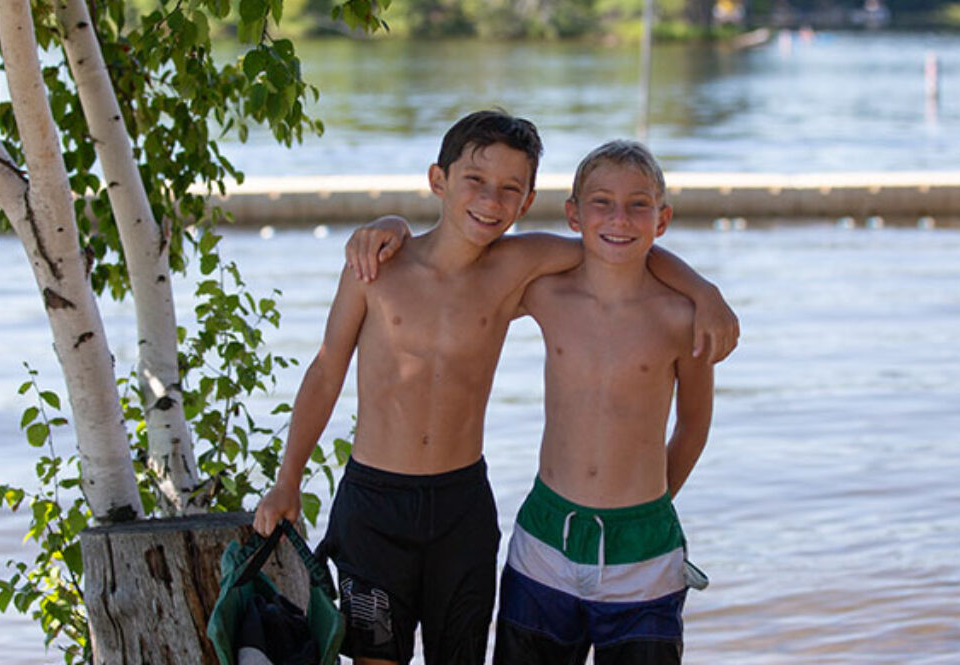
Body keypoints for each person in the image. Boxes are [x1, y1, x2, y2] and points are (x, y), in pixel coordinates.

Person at [253, 110, 735, 665]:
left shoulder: (518, 267)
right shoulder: (378, 267)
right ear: (439, 181)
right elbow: (325, 370)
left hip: (463, 506)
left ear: (528, 202)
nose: (490, 200)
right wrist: (287, 479)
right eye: (475, 182)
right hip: (374, 504)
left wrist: (703, 290)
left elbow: (619, 246)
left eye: (510, 189)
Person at [493, 140, 714, 665]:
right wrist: (389, 229)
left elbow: (695, 425)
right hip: (545, 542)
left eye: (639, 204)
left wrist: (650, 503)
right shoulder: (546, 293)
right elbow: (465, 269)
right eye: (601, 202)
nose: (620, 218)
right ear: (573, 214)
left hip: (645, 555)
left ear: (662, 221)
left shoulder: (683, 318)